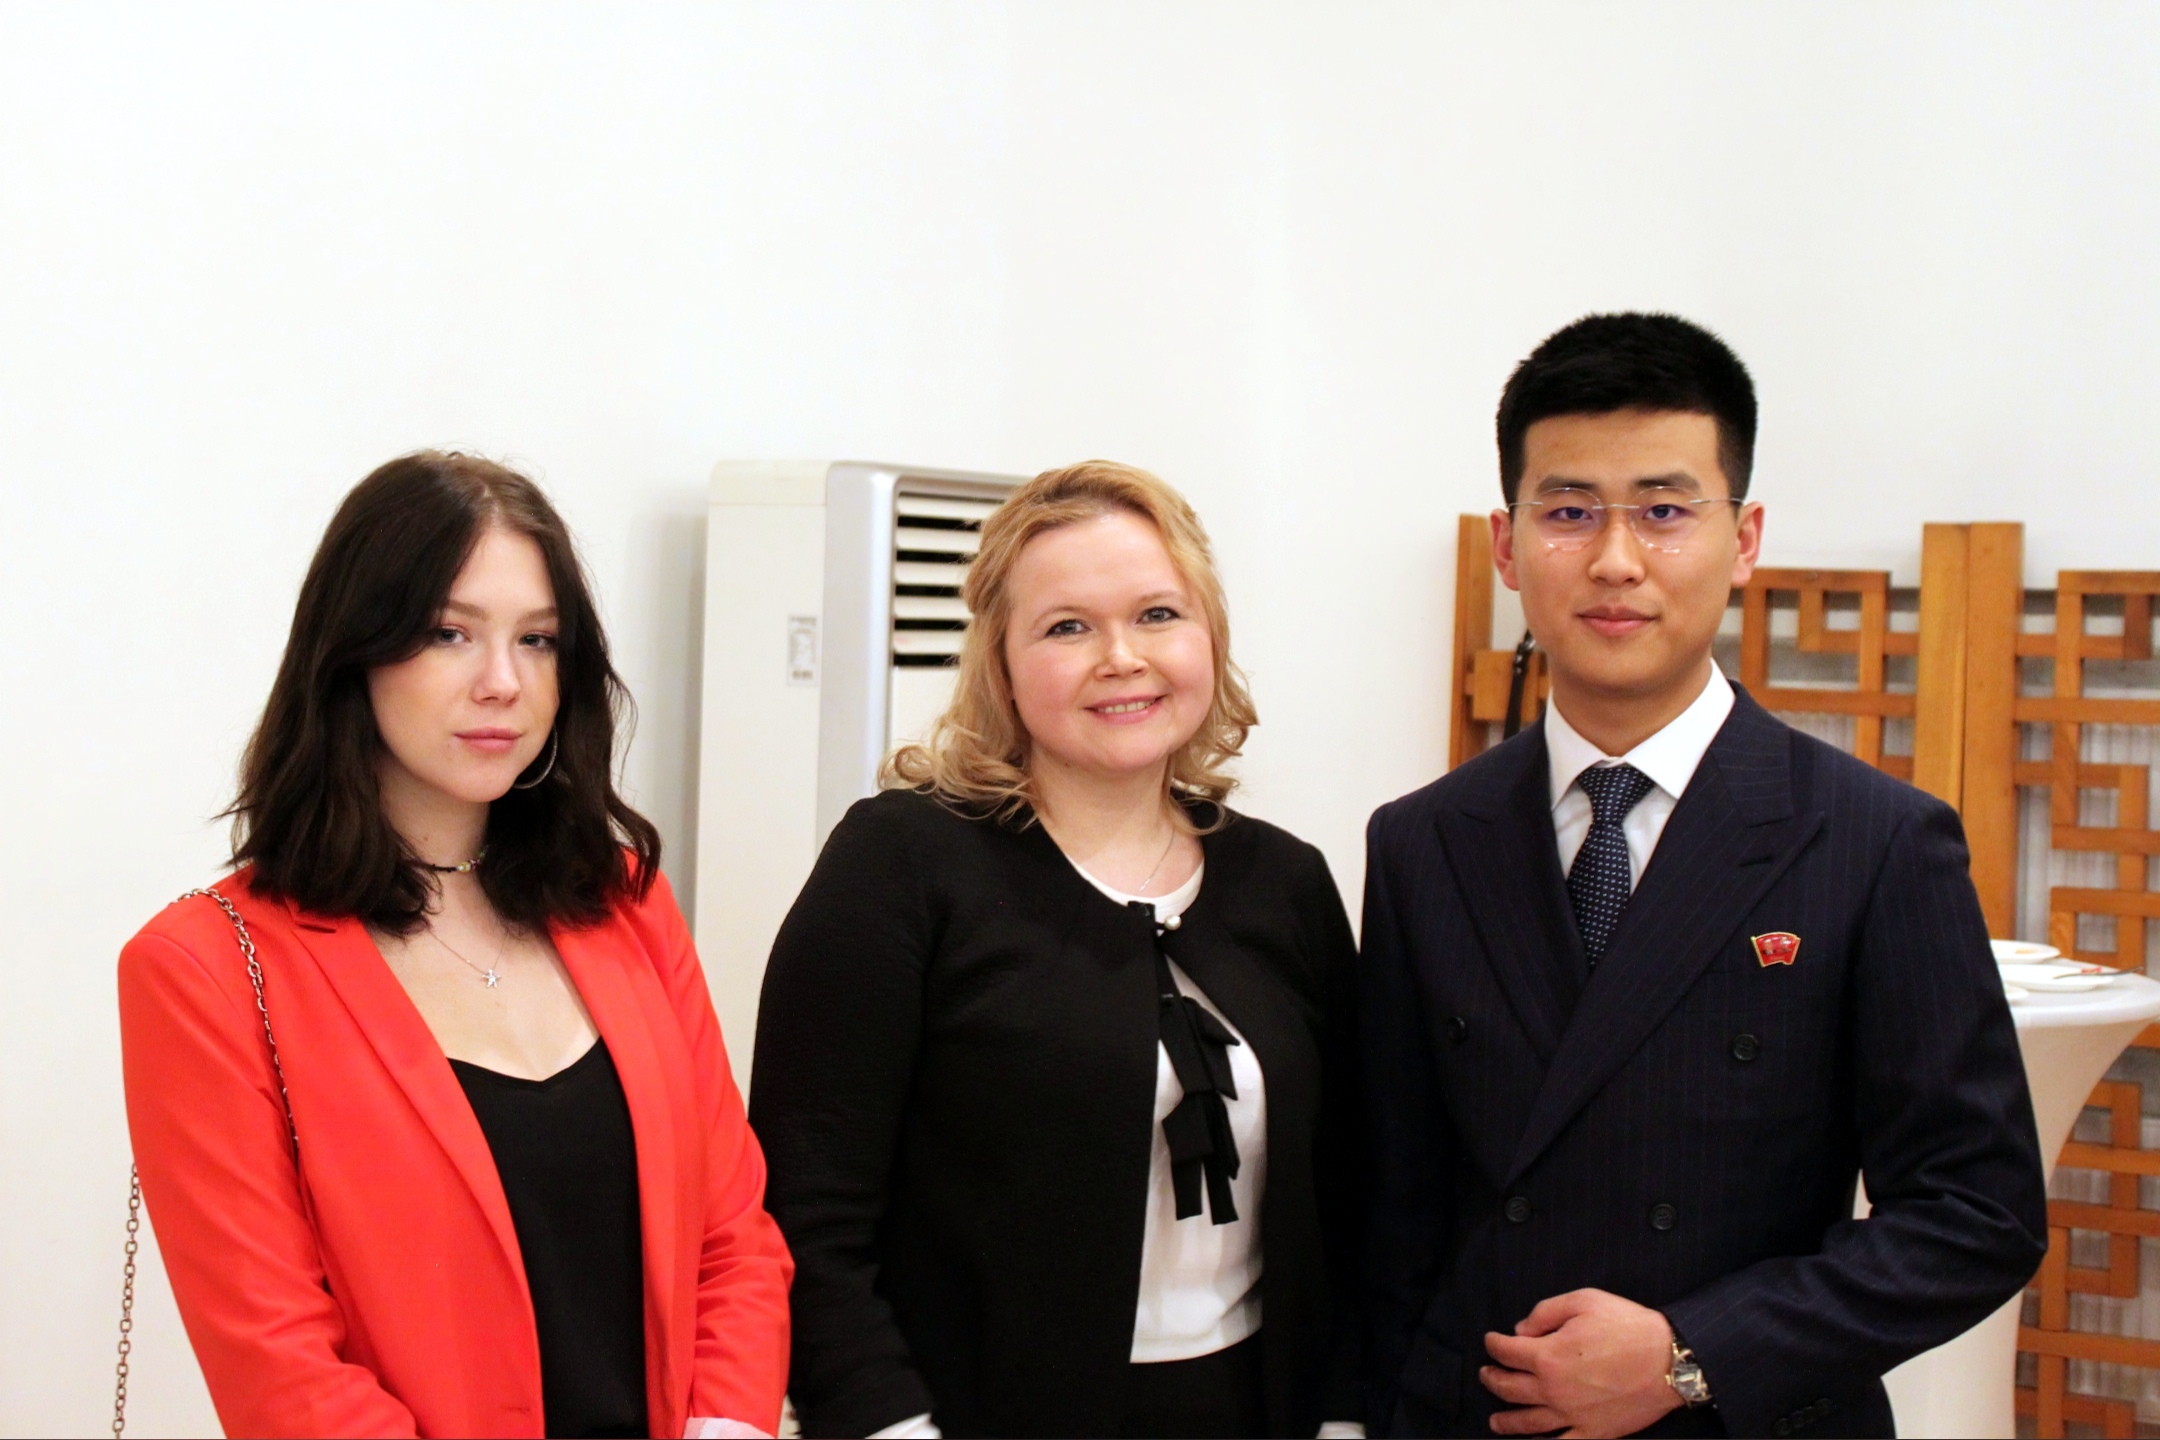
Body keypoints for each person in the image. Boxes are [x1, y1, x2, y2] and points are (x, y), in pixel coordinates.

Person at [1356, 314, 2049, 1439]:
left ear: (1745, 538)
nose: (1615, 560)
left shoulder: (1874, 840)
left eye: (1665, 512)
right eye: (1568, 511)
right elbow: (1390, 1206)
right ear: (1506, 545)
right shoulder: (1422, 841)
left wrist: (1692, 1355)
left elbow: (1977, 1213)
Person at [118, 452, 792, 1439]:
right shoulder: (203, 969)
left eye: (539, 640)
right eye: (449, 633)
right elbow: (281, 1370)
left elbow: (732, 1237)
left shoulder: (623, 899)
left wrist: (727, 1424)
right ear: (354, 652)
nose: (503, 682)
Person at [749, 461, 1363, 1438]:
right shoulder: (903, 863)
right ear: (1000, 665)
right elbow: (804, 1207)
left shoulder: (1284, 882)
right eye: (1067, 627)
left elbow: (1354, 1192)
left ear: (1209, 633)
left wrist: (1344, 1414)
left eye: (1158, 614)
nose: (1121, 657)